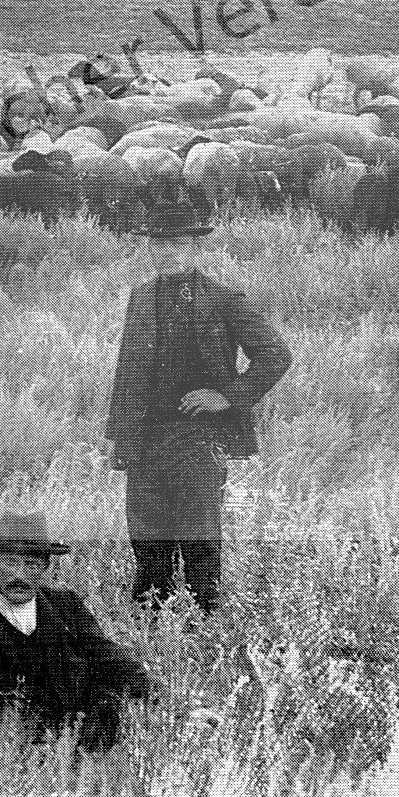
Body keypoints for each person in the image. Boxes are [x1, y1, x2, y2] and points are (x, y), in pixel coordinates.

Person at [105, 196, 293, 614]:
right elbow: (128, 370)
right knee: (146, 533)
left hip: (198, 438)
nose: (166, 250)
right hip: (146, 438)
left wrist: (226, 396)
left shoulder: (224, 299)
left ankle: (202, 619)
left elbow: (276, 354)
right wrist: (119, 439)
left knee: (198, 533)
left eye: (176, 242)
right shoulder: (140, 297)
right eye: (157, 243)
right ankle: (150, 617)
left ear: (195, 246)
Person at [0, 511, 152, 752]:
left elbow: (105, 653)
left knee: (108, 703)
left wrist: (154, 691)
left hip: (69, 730)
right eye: (10, 563)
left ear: (46, 566)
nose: (19, 575)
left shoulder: (64, 603)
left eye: (31, 564)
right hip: (4, 736)